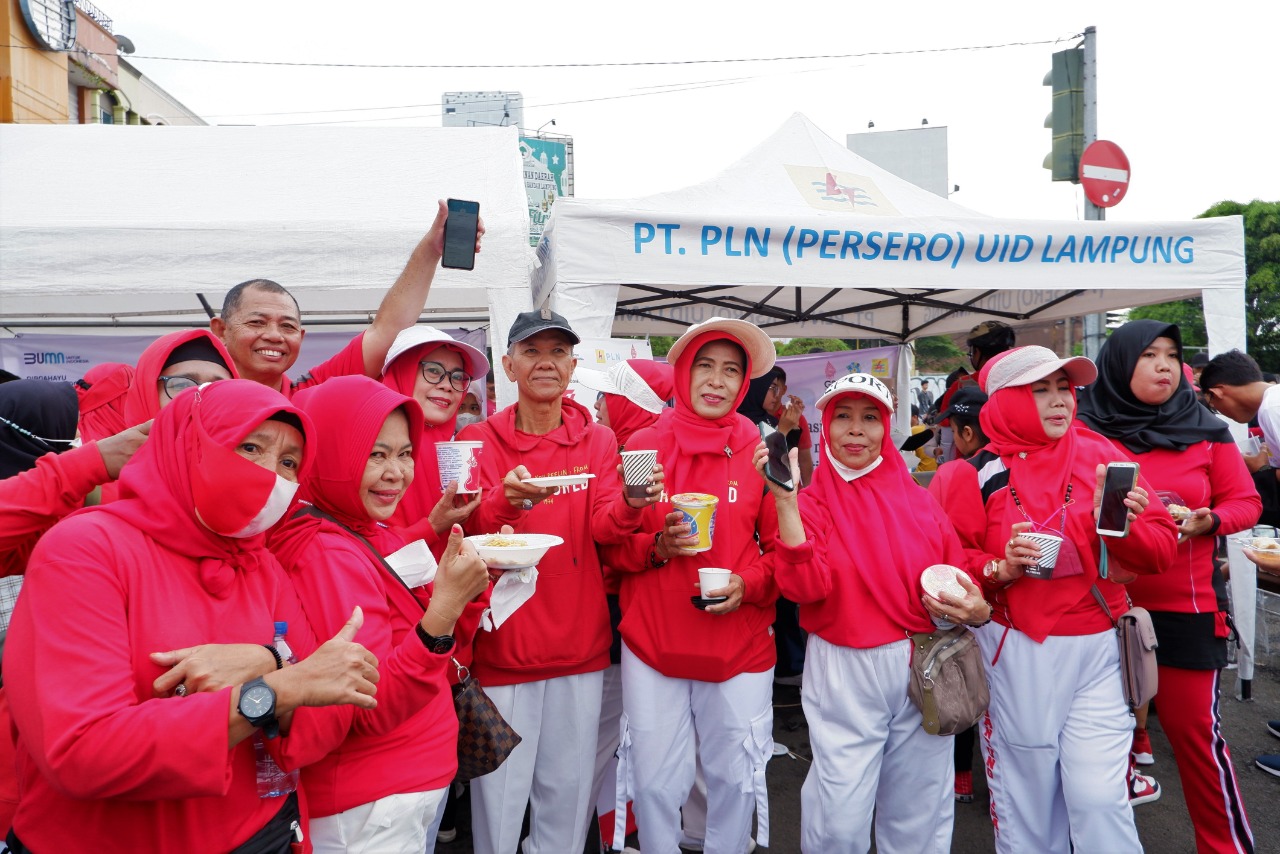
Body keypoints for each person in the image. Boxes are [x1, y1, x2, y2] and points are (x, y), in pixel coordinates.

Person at [4, 379, 384, 852]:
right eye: (250, 447)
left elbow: (333, 710)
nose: (271, 474)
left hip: (262, 835)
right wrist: (276, 689)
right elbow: (85, 751)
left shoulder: (260, 563)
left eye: (289, 462)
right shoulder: (87, 549)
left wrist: (271, 662)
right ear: (188, 444)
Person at [933, 345, 1178, 854]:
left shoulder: (1104, 456)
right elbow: (949, 565)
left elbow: (1160, 552)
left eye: (1064, 387)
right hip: (1016, 650)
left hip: (1101, 649)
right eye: (1039, 389)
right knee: (1028, 804)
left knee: (1098, 799)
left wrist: (1125, 529)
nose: (1058, 400)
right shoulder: (972, 474)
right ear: (1003, 402)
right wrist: (999, 567)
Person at [761, 372, 985, 852]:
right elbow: (804, 587)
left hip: (924, 662)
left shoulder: (920, 503)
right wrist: (785, 501)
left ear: (886, 426)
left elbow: (957, 572)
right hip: (844, 666)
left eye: (869, 418)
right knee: (838, 818)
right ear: (827, 425)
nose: (856, 430)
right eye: (843, 417)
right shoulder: (813, 503)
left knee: (919, 813)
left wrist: (975, 601)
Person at [269, 375, 492, 852]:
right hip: (372, 805)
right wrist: (446, 610)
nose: (397, 473)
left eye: (404, 453)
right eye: (375, 454)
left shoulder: (366, 531)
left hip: (400, 790)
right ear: (328, 454)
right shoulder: (324, 553)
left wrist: (464, 596)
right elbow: (369, 703)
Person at [457, 309, 651, 854]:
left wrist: (634, 505)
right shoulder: (479, 437)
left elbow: (604, 526)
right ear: (509, 365)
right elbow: (466, 527)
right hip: (504, 644)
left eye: (558, 352)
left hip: (579, 647)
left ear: (573, 365)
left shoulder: (599, 441)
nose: (547, 362)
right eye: (533, 351)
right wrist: (505, 501)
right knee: (499, 800)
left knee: (567, 796)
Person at [1077, 320, 1258, 853]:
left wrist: (1209, 520)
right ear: (1119, 363)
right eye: (1149, 355)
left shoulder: (1206, 427)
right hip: (1100, 609)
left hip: (1188, 609)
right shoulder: (1086, 432)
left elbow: (1245, 502)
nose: (1164, 365)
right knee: (1094, 752)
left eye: (1172, 355)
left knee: (1197, 740)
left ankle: (1224, 846)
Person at [602, 317, 781, 853]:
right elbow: (612, 547)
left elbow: (782, 552)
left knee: (733, 780)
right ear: (682, 372)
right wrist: (658, 548)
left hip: (739, 644)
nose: (717, 380)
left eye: (731, 370)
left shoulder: (759, 448)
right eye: (705, 365)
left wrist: (747, 586)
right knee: (655, 783)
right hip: (654, 643)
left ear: (744, 382)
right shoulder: (643, 443)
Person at [209, 203, 483, 399]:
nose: (273, 335)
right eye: (257, 322)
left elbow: (388, 329)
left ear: (301, 337)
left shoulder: (308, 395)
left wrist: (431, 250)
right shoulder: (185, 399)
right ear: (221, 330)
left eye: (287, 327)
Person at [573, 357, 674, 848]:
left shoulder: (634, 449)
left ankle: (607, 828)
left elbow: (618, 540)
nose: (596, 406)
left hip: (623, 610)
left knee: (609, 734)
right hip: (654, 613)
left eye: (604, 397)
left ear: (625, 402)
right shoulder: (663, 440)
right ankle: (622, 825)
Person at [926, 383, 991, 806]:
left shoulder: (958, 472)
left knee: (961, 680)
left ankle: (962, 775)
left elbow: (952, 550)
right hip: (1029, 616)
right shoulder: (1020, 465)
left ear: (964, 434)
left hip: (971, 602)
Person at [378, 326, 491, 548]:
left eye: (458, 377)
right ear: (403, 371)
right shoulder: (365, 444)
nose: (447, 386)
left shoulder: (456, 448)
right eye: (433, 371)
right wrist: (432, 526)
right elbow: (363, 548)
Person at [937, 321, 1016, 462]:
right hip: (1012, 465)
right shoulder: (1023, 383)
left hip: (969, 468)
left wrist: (947, 469)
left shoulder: (961, 386)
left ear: (977, 352)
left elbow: (948, 440)